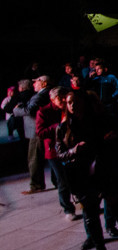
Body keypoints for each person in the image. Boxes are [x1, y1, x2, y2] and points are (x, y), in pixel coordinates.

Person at [56, 90, 118, 250]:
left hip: (104, 168)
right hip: (81, 173)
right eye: (69, 102)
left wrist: (110, 144)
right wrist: (74, 150)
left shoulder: (102, 119)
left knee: (115, 205)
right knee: (90, 212)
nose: (72, 105)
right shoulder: (64, 126)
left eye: (75, 102)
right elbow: (60, 152)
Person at [35, 86, 78, 220]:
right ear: (52, 99)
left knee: (75, 175)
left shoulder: (69, 107)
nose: (63, 101)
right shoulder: (43, 112)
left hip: (71, 147)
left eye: (64, 97)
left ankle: (81, 198)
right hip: (53, 151)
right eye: (60, 98)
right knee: (62, 180)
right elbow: (40, 132)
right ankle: (68, 208)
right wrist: (58, 127)